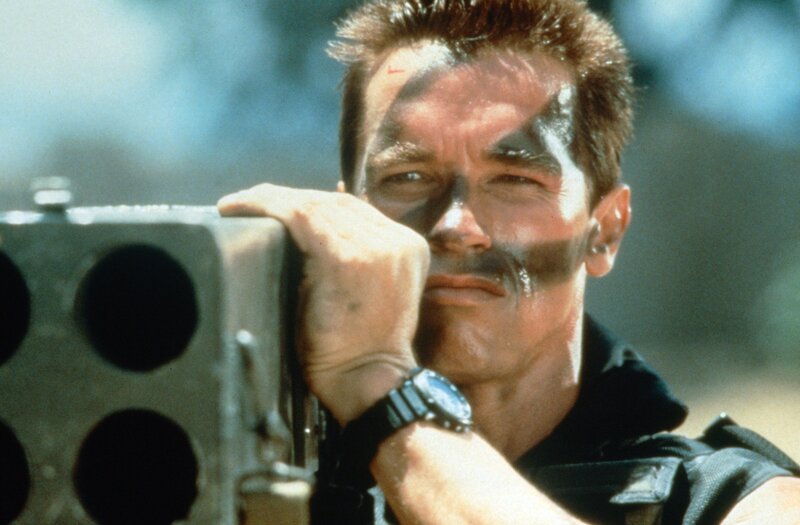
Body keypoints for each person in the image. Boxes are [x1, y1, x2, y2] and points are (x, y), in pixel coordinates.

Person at [218, 0, 800, 523]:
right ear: (349, 215)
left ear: (605, 231)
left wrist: (382, 390)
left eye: (515, 179)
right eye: (408, 176)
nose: (456, 226)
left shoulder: (734, 502)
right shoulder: (248, 484)